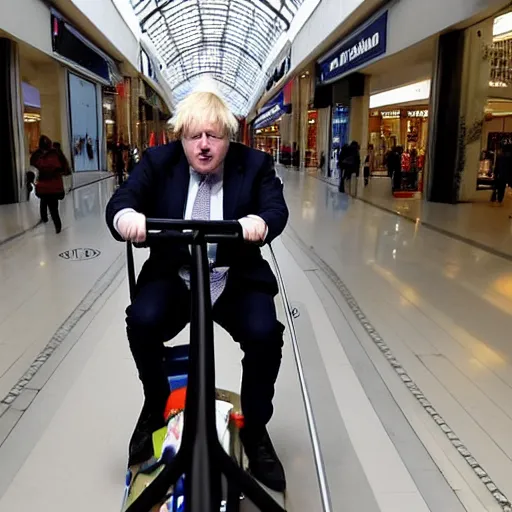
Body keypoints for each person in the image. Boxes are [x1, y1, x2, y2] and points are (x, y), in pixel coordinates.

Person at [105, 83, 289, 492]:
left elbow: (275, 208)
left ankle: (256, 429)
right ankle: (155, 405)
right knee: (142, 321)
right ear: (181, 137)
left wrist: (260, 224)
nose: (203, 146)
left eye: (214, 136)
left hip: (233, 275)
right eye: (194, 136)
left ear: (229, 135)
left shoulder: (255, 164)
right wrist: (127, 217)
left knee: (264, 335)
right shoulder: (157, 161)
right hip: (176, 273)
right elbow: (123, 199)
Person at [30, 135, 70, 233]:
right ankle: (57, 226)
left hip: (43, 186)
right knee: (53, 207)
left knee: (44, 202)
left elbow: (33, 164)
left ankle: (45, 219)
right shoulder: (56, 154)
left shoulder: (38, 156)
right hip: (54, 186)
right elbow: (64, 167)